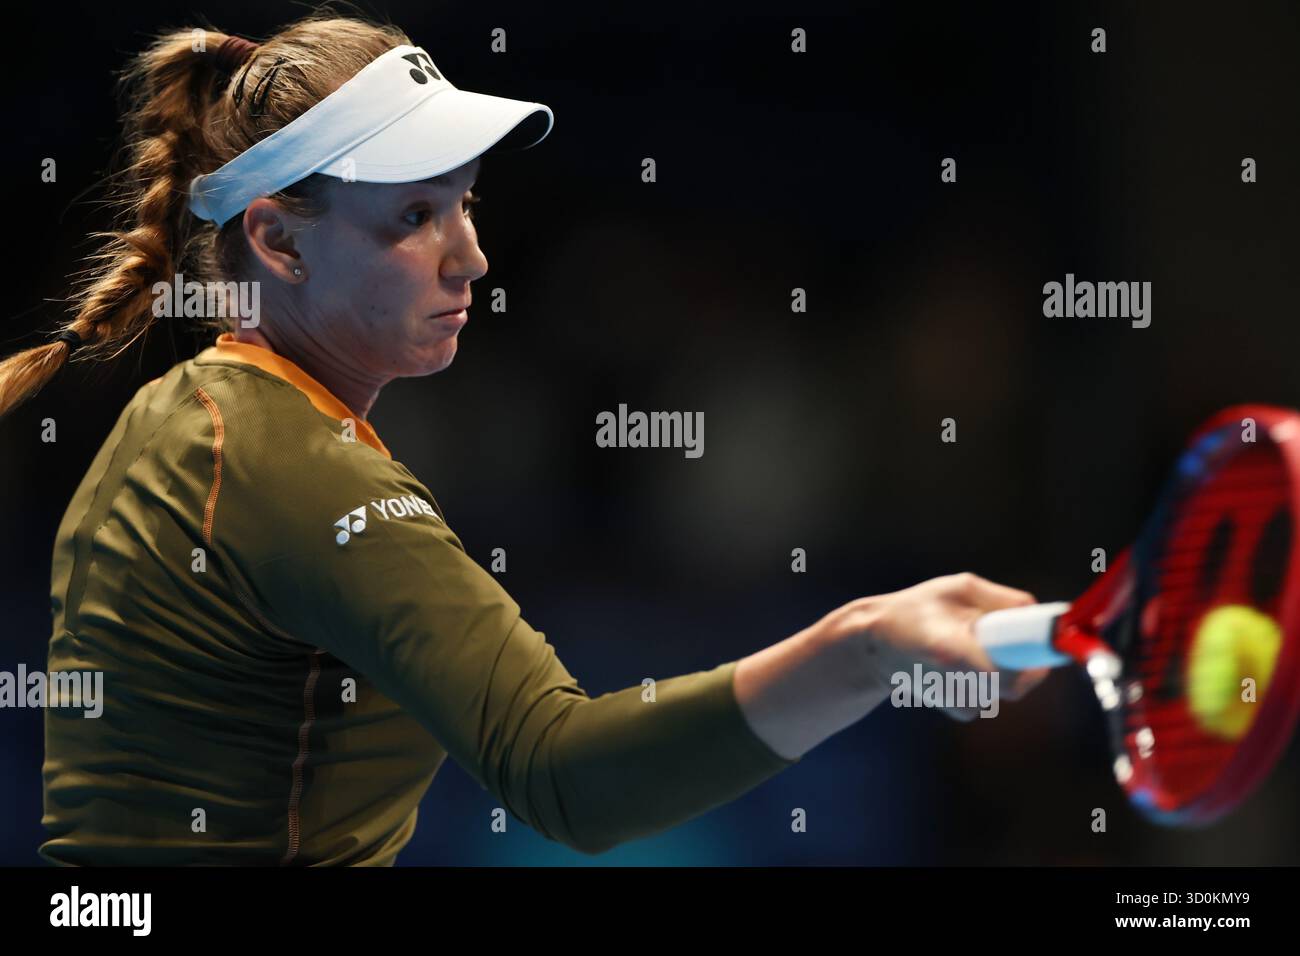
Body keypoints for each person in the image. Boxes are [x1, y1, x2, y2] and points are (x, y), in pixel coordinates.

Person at [0, 12, 1047, 866]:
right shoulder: (290, 466)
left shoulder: (178, 419)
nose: (473, 258)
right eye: (412, 218)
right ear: (278, 240)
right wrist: (862, 643)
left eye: (464, 205)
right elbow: (567, 775)